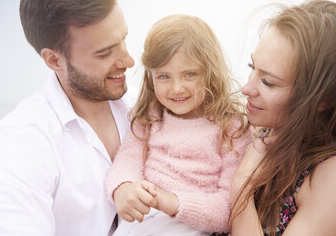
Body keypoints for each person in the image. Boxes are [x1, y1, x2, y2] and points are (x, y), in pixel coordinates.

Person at [0, 0, 135, 235]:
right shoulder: (18, 144)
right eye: (105, 53)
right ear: (54, 60)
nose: (128, 61)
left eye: (124, 39)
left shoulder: (147, 106)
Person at [105, 14, 253, 236]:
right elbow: (127, 159)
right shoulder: (150, 116)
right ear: (150, 77)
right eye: (164, 77)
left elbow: (226, 210)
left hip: (190, 225)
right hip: (141, 221)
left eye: (189, 74)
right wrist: (123, 188)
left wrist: (171, 202)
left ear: (210, 73)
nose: (176, 88)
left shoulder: (231, 127)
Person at [230, 0, 336, 236]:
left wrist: (241, 187)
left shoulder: (329, 177)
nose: (246, 88)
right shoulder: (264, 129)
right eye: (252, 66)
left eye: (268, 82)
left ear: (322, 100)